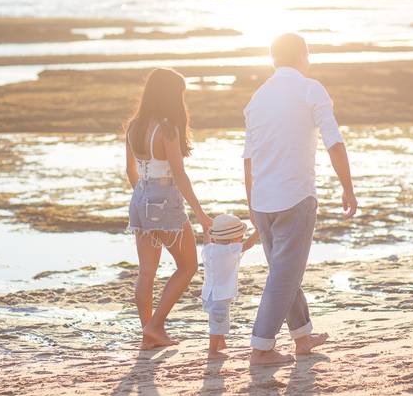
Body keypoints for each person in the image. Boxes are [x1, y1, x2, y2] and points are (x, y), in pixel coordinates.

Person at [242, 33, 358, 366]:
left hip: (263, 201)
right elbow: (334, 141)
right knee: (285, 276)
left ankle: (302, 337)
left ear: (272, 59)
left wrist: (252, 206)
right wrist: (347, 187)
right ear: (303, 56)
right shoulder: (310, 89)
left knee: (284, 272)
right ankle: (262, 348)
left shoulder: (258, 97)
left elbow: (248, 158)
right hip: (295, 198)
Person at [125, 68, 212, 349]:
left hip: (140, 198)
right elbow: (180, 174)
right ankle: (155, 326)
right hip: (163, 200)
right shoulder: (167, 129)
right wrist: (201, 214)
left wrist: (144, 197)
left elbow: (130, 171)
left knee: (146, 272)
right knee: (188, 265)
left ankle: (148, 334)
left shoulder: (134, 126)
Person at [200, 214, 260, 359]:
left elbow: (206, 239)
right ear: (234, 239)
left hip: (208, 293)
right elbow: (248, 245)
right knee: (218, 322)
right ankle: (212, 352)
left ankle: (221, 344)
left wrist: (206, 229)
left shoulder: (209, 249)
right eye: (240, 236)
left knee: (217, 320)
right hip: (220, 295)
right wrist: (259, 230)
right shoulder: (229, 250)